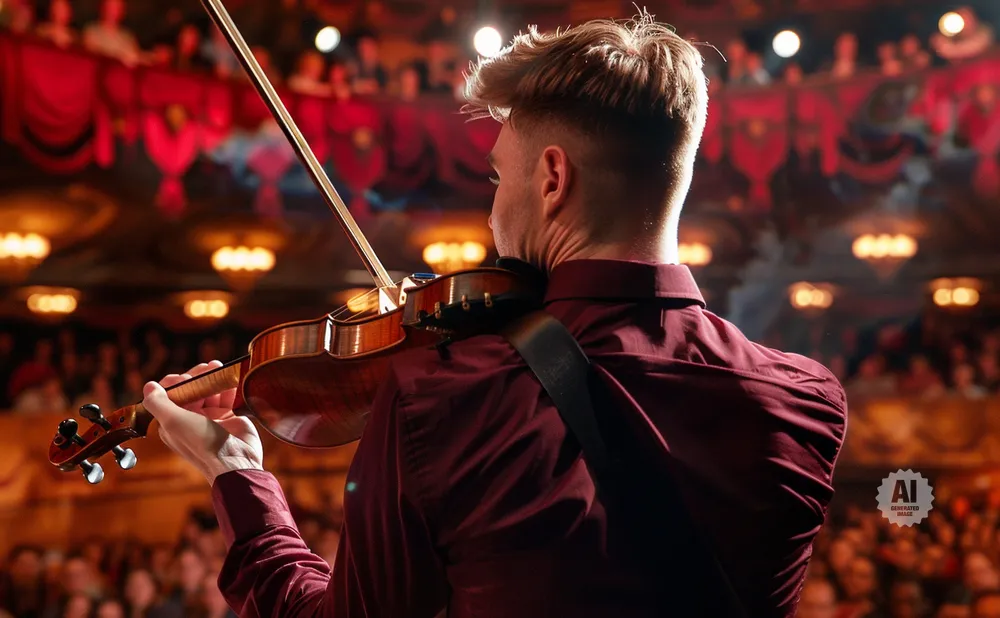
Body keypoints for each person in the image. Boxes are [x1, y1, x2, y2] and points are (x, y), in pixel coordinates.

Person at [141, 11, 847, 618]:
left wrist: (236, 475)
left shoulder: (440, 396)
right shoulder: (805, 404)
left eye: (497, 176)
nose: (491, 208)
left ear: (551, 178)